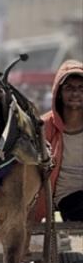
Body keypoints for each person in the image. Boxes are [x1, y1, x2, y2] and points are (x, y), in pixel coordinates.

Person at [39, 60, 83, 221]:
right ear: (58, 92)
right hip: (67, 195)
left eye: (81, 88)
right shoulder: (45, 126)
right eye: (69, 88)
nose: (75, 93)